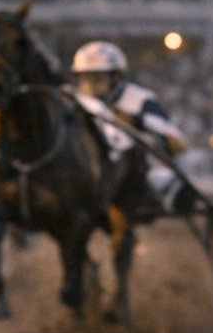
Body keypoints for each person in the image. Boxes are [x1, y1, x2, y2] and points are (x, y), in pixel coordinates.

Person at [70, 40, 198, 214]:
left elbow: (175, 142)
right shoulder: (74, 102)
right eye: (85, 77)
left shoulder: (140, 99)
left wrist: (135, 121)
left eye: (98, 77)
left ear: (116, 77)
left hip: (141, 169)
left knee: (160, 178)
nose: (90, 84)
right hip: (91, 169)